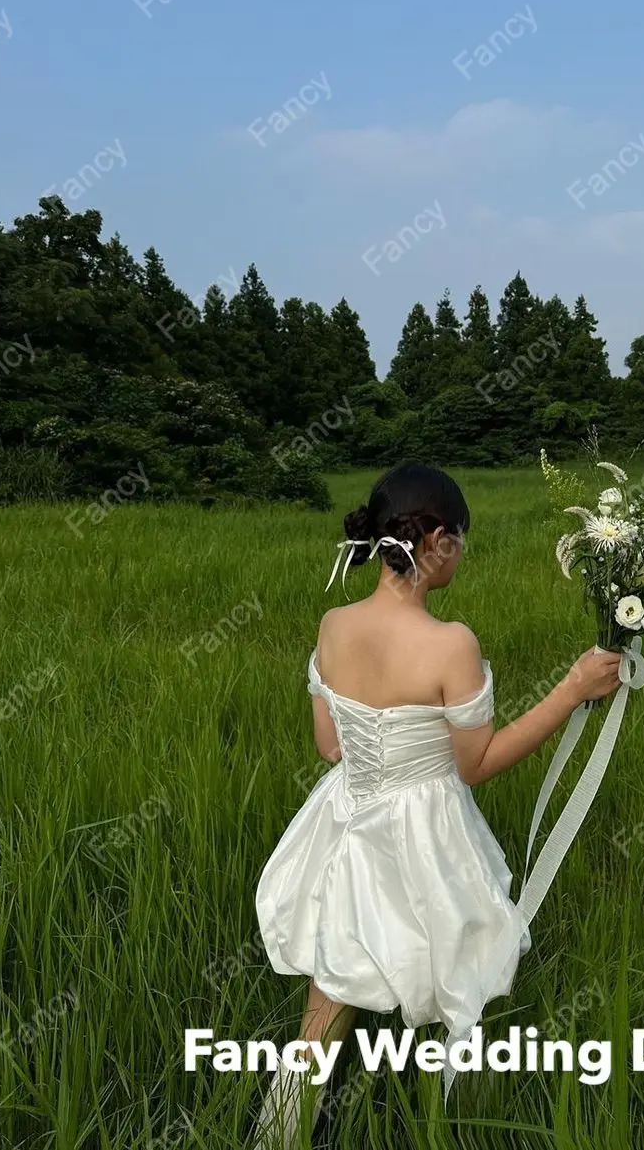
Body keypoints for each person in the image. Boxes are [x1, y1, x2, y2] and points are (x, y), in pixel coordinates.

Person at [252, 460, 621, 1145]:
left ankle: (283, 1127)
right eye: (460, 539)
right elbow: (476, 764)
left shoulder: (334, 623)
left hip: (346, 816)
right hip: (425, 827)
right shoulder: (452, 643)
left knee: (331, 986)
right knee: (452, 965)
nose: (461, 554)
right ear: (436, 541)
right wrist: (571, 688)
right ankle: (450, 1120)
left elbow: (329, 745)